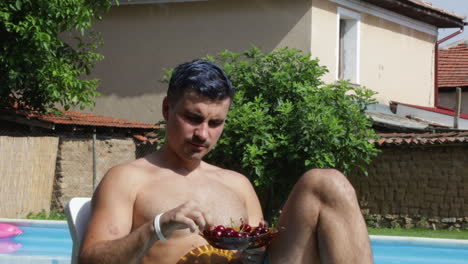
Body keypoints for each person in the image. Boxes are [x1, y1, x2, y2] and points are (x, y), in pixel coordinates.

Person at [79, 60, 374, 264]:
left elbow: (263, 253)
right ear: (168, 109)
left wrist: (255, 251)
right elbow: (91, 260)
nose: (203, 134)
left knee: (327, 183)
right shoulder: (128, 178)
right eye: (193, 118)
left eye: (215, 122)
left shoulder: (237, 184)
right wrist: (156, 228)